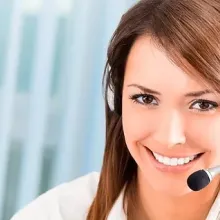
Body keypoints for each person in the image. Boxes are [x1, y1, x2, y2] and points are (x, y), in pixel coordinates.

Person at [11, 0, 220, 219]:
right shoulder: (55, 214)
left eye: (203, 105)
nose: (169, 138)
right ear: (117, 101)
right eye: (146, 98)